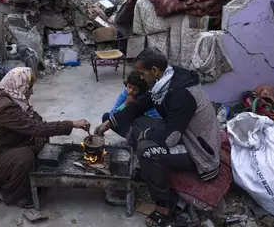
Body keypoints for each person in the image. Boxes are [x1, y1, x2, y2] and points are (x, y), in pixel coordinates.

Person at [94, 48, 220, 227]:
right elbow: (140, 106)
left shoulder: (181, 94)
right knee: (138, 122)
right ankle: (150, 172)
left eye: (142, 74)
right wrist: (109, 123)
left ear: (154, 71)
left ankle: (165, 205)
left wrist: (147, 135)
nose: (141, 78)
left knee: (146, 150)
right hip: (181, 132)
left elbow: (171, 138)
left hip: (198, 150)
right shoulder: (165, 81)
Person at [0, 67, 90, 208]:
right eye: (30, 88)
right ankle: (16, 195)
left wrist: (38, 133)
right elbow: (37, 128)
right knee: (25, 156)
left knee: (40, 139)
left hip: (2, 149)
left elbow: (35, 120)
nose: (32, 92)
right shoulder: (5, 108)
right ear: (20, 87)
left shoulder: (10, 98)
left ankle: (28, 179)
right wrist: (72, 124)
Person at [101, 71, 160, 138]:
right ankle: (130, 137)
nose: (131, 91)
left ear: (141, 90)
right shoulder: (125, 94)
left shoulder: (147, 99)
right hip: (128, 127)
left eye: (135, 89)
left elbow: (154, 120)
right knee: (106, 117)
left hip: (141, 128)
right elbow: (113, 114)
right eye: (129, 87)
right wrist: (125, 103)